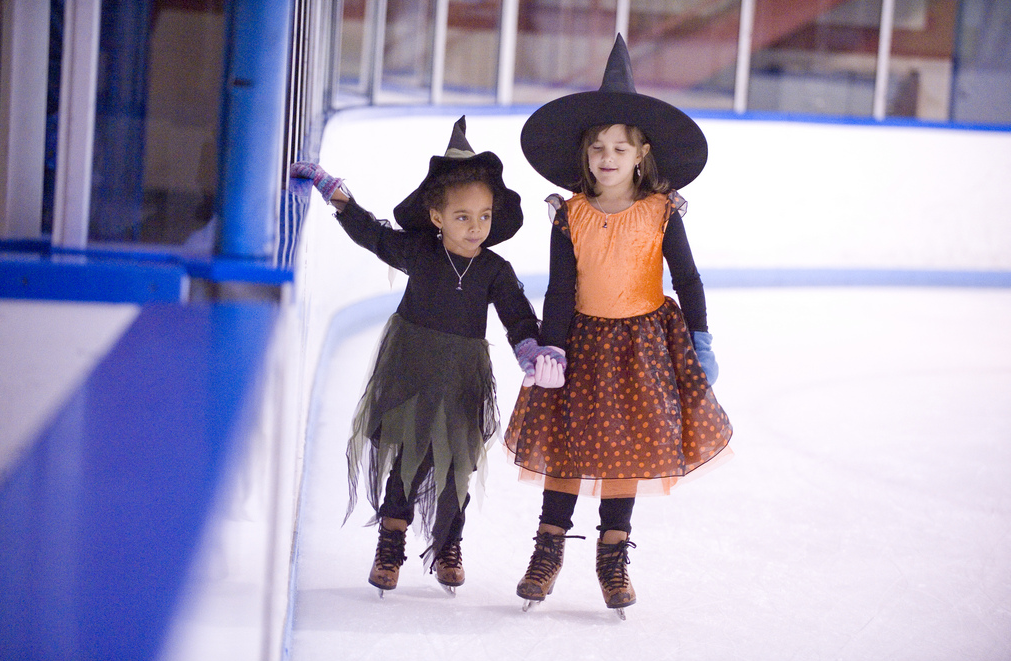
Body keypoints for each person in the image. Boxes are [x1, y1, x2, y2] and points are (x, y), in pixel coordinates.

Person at [504, 35, 733, 617]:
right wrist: (550, 346)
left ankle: (612, 555)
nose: (607, 158)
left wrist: (701, 340)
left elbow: (689, 279)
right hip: (581, 343)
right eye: (597, 148)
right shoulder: (569, 215)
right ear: (585, 155)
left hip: (644, 345)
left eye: (620, 148)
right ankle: (548, 548)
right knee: (568, 445)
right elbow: (559, 288)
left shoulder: (662, 212)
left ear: (641, 154)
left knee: (626, 450)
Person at [290, 117, 566, 596]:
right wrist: (333, 192)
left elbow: (518, 315)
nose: (476, 227)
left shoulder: (495, 270)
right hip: (412, 365)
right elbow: (373, 236)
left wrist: (531, 352)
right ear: (437, 217)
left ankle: (448, 545)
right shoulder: (419, 252)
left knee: (460, 461)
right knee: (411, 457)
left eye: (483, 216)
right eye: (462, 217)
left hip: (464, 375)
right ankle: (391, 540)